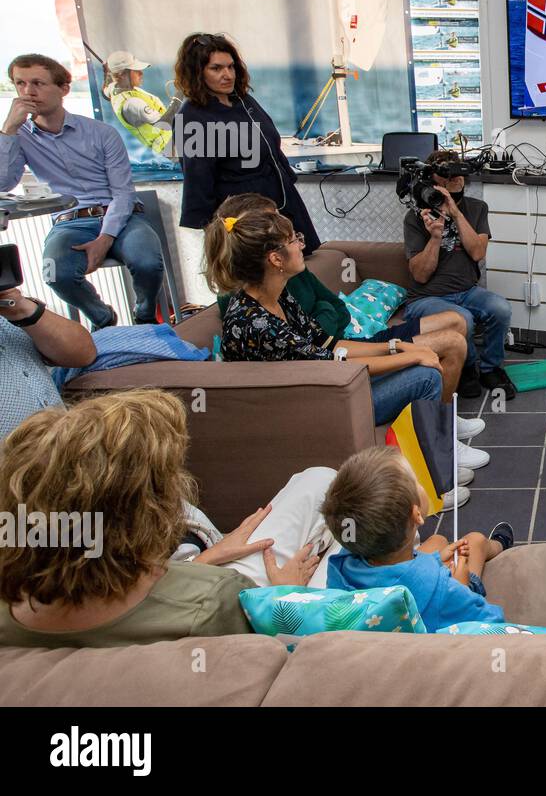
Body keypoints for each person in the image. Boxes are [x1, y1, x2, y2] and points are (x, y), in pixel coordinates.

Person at [0, 390, 321, 648]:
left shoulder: (11, 613)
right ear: (145, 518)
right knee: (321, 483)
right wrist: (286, 598)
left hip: (163, 572)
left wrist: (207, 558)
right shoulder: (215, 599)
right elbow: (270, 652)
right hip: (241, 597)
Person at [205, 207, 463, 451]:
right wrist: (412, 355)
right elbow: (332, 363)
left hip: (325, 383)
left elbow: (329, 344)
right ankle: (438, 461)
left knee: (421, 364)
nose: (301, 245)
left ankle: (436, 447)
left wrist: (397, 346)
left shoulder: (277, 296)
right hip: (309, 407)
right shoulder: (256, 323)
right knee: (426, 375)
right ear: (275, 259)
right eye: (294, 240)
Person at [1, 53, 166, 329]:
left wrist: (104, 238)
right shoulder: (18, 136)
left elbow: (123, 194)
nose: (28, 92)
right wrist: (8, 129)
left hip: (123, 217)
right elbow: (4, 184)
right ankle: (103, 319)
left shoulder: (101, 133)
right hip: (71, 222)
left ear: (64, 89)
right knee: (56, 274)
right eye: (20, 84)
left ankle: (145, 319)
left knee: (148, 262)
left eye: (38, 83)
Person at [322, 446, 515, 632]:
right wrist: (462, 586)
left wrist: (435, 561)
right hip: (440, 603)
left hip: (395, 588)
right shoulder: (445, 590)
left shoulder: (342, 561)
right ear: (417, 515)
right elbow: (493, 624)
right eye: (415, 481)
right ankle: (499, 543)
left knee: (438, 540)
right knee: (475, 541)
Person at [173, 33, 321, 254]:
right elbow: (198, 179)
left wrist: (288, 185)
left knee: (303, 267)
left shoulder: (244, 100)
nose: (227, 74)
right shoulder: (192, 116)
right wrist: (217, 238)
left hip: (283, 201)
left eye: (231, 67)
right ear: (197, 71)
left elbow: (271, 147)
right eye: (217, 68)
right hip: (245, 218)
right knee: (264, 279)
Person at [402, 157, 516, 401]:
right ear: (433, 180)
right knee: (462, 319)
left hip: (466, 292)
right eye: (446, 174)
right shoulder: (415, 218)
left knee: (500, 309)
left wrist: (455, 213)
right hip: (426, 298)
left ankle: (490, 368)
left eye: (458, 173)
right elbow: (420, 275)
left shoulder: (477, 208)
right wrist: (435, 237)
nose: (454, 178)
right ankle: (466, 369)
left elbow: (477, 252)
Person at [0, 282, 96, 439]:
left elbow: (84, 354)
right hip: (13, 460)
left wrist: (23, 309)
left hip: (58, 448)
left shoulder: (8, 308)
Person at [102, 49, 176, 156]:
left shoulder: (114, 89)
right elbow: (165, 123)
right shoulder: (131, 104)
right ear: (122, 74)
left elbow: (105, 92)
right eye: (136, 70)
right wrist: (180, 93)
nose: (141, 73)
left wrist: (106, 73)